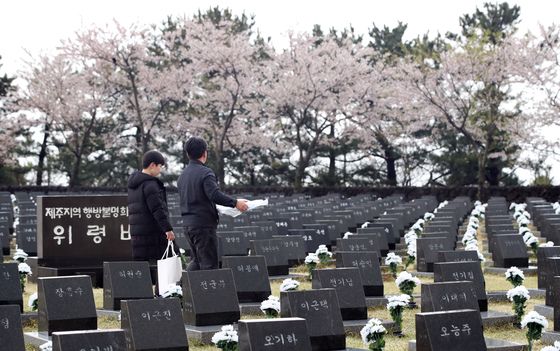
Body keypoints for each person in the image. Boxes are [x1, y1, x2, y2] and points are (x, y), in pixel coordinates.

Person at [177, 137, 249, 271]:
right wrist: (235, 203)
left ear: (188, 154)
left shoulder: (182, 175)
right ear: (205, 153)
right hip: (203, 225)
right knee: (209, 264)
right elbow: (214, 195)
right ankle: (205, 291)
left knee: (197, 261)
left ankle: (182, 288)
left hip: (188, 225)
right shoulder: (205, 172)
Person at [127, 150, 175, 261]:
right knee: (161, 269)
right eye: (160, 166)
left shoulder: (133, 185)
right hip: (153, 236)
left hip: (138, 236)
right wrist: (168, 229)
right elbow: (157, 209)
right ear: (152, 165)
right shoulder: (150, 185)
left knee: (144, 270)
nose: (160, 170)